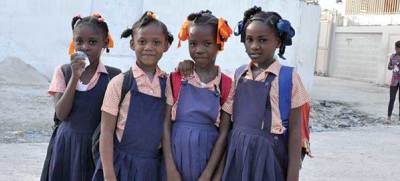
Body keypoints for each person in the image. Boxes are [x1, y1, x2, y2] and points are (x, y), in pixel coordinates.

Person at [222, 6, 310, 181]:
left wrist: (293, 175)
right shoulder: (240, 74)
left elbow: (295, 132)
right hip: (238, 152)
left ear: (278, 42)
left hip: (269, 156)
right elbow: (228, 116)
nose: (254, 46)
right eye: (249, 39)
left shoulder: (288, 77)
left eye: (263, 40)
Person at [92, 11, 173, 181]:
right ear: (132, 44)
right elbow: (106, 132)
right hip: (120, 164)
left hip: (151, 168)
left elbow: (166, 129)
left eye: (156, 42)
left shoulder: (168, 84)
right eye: (142, 42)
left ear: (166, 45)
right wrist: (108, 174)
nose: (149, 47)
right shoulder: (120, 83)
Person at [43, 13, 120, 181]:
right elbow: (61, 114)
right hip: (65, 144)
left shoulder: (113, 76)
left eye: (92, 42)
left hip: (95, 147)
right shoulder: (64, 71)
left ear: (105, 43)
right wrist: (75, 77)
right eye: (79, 41)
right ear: (73, 42)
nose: (85, 47)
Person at [162, 10, 233, 181]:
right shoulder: (176, 77)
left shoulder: (226, 84)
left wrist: (208, 174)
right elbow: (165, 124)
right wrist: (170, 168)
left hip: (206, 159)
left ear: (219, 44)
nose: (198, 50)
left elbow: (224, 133)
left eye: (207, 44)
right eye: (193, 44)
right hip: (174, 158)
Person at [387, 40, 400, 122]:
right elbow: (389, 66)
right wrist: (393, 67)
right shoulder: (392, 56)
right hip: (394, 81)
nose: (396, 49)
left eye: (397, 48)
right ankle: (388, 117)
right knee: (392, 99)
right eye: (395, 47)